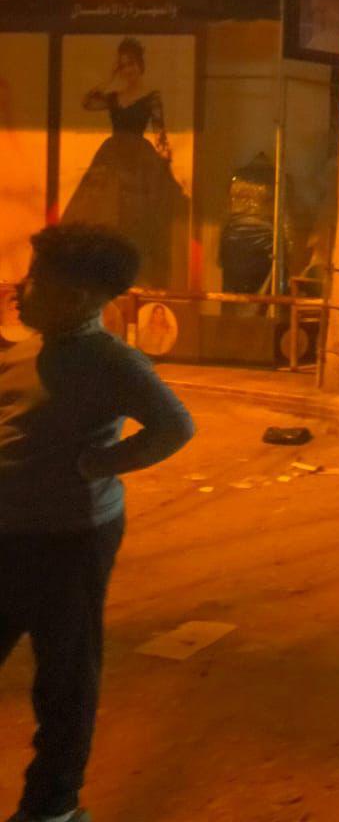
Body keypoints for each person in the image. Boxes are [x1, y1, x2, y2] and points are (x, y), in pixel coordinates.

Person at [0, 224, 195, 822]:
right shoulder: (21, 350)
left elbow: (174, 427)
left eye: (37, 280)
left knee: (65, 676)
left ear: (80, 297)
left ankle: (52, 806)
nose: (20, 289)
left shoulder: (113, 362)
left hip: (72, 538)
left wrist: (98, 464)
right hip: (6, 533)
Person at [60, 38, 188, 290]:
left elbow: (160, 135)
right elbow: (87, 103)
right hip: (112, 156)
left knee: (137, 217)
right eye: (123, 65)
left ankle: (134, 276)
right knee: (103, 212)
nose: (128, 69)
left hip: (139, 158)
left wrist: (166, 169)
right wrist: (110, 77)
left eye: (131, 64)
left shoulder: (151, 97)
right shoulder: (114, 97)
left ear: (141, 65)